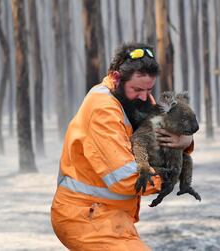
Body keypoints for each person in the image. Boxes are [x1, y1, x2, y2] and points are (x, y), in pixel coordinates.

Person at [51, 42, 194, 250]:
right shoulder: (102, 110)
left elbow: (165, 133)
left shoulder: (135, 98)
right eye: (137, 89)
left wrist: (186, 142)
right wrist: (168, 177)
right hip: (84, 217)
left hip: (112, 216)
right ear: (117, 78)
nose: (146, 97)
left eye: (149, 89)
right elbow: (125, 177)